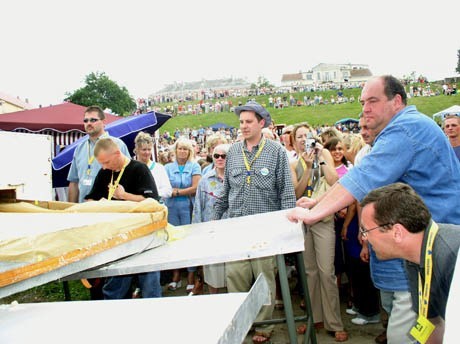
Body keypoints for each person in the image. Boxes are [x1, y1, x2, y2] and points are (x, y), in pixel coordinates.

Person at [287, 75, 460, 343]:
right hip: (421, 250)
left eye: (373, 101)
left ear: (397, 101)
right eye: (362, 102)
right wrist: (318, 202)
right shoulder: (407, 127)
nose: (365, 108)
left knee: (405, 332)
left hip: (431, 248)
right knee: (426, 323)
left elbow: (363, 177)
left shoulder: (405, 129)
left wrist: (313, 214)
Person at [213, 100, 296, 344]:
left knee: (263, 280)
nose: (244, 126)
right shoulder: (234, 152)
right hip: (236, 227)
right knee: (235, 277)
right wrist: (215, 222)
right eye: (241, 122)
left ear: (262, 123)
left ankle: (264, 326)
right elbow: (225, 192)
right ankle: (241, 321)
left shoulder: (276, 152)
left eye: (249, 121)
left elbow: (286, 192)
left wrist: (286, 229)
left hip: (265, 230)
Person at [360, 182, 460, 343]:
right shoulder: (414, 258)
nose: (364, 238)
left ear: (397, 232)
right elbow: (431, 322)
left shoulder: (453, 258)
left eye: (366, 231)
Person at [288, 124, 349, 341]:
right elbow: (297, 191)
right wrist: (306, 165)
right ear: (294, 141)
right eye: (300, 136)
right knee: (309, 272)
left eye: (308, 135)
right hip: (303, 222)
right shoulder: (293, 163)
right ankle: (314, 318)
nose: (305, 139)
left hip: (323, 218)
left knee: (327, 271)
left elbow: (334, 181)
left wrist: (320, 159)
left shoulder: (324, 155)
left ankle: (334, 321)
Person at [84, 137, 161, 300]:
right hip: (117, 238)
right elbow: (90, 198)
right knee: (115, 285)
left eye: (106, 162)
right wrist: (97, 205)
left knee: (149, 284)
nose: (104, 167)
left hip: (143, 237)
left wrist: (124, 196)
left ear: (117, 153)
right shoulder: (104, 172)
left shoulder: (139, 169)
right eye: (101, 163)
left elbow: (153, 201)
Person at [67, 105, 130, 299]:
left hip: (110, 214)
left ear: (104, 121)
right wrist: (71, 210)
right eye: (85, 120)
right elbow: (73, 182)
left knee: (114, 260)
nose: (88, 124)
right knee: (92, 261)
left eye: (93, 120)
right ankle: (96, 299)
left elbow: (128, 176)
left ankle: (120, 299)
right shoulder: (79, 148)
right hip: (87, 214)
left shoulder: (117, 144)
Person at [191, 143, 231, 294]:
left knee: (233, 271)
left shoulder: (235, 179)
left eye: (224, 156)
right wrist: (197, 231)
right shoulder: (205, 180)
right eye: (216, 156)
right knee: (212, 270)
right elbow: (198, 207)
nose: (220, 159)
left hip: (232, 229)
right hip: (211, 231)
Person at [164, 138, 201, 293]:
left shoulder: (194, 166)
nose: (183, 151)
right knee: (173, 240)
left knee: (188, 240)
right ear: (175, 150)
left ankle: (191, 276)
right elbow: (164, 187)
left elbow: (196, 187)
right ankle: (176, 274)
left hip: (188, 206)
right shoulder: (167, 167)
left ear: (190, 151)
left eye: (186, 149)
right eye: (180, 148)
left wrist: (177, 191)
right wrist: (172, 191)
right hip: (171, 207)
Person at [134, 131, 172, 202]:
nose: (147, 152)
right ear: (137, 150)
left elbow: (168, 191)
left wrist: (151, 193)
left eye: (149, 149)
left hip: (155, 207)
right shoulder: (131, 168)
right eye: (144, 149)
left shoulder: (159, 168)